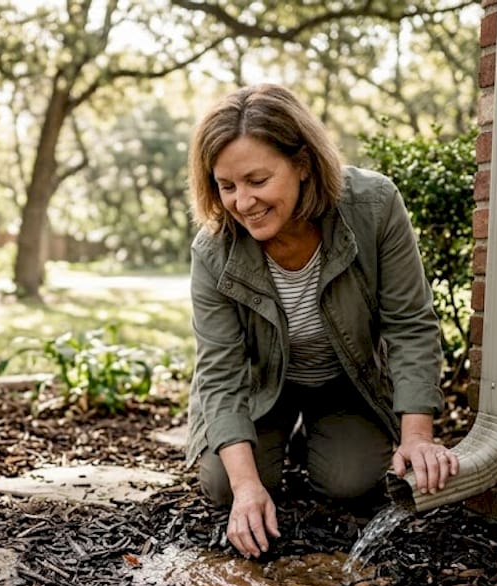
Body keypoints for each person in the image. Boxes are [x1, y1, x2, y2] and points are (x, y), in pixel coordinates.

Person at [184, 84, 459, 559]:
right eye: (227, 186)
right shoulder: (213, 250)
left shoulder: (373, 205)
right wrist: (249, 488)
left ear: (304, 164)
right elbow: (220, 372)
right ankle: (274, 442)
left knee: (353, 483)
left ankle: (317, 434)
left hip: (343, 382)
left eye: (257, 180)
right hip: (259, 388)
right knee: (225, 486)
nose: (243, 202)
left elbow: (410, 323)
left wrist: (418, 437)